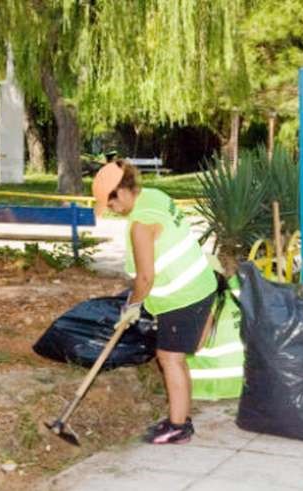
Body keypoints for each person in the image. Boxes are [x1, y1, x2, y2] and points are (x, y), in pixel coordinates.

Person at [92, 159, 217, 444]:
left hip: (182, 296)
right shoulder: (155, 196)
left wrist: (132, 306)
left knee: (169, 357)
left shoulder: (140, 225)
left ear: (121, 193)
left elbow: (145, 278)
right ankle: (181, 417)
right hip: (198, 285)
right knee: (175, 357)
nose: (111, 210)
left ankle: (177, 426)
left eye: (110, 204)